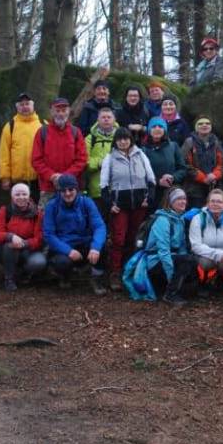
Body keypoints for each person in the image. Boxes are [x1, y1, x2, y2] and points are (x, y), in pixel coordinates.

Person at [100, 127, 156, 291]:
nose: (123, 141)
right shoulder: (110, 158)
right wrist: (111, 204)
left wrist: (149, 198)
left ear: (131, 139)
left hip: (139, 205)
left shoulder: (141, 155)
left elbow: (151, 179)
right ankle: (115, 273)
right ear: (115, 141)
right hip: (120, 206)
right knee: (118, 239)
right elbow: (103, 185)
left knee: (135, 238)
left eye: (126, 138)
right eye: (120, 139)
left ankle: (131, 270)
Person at [123, 187, 195, 305]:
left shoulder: (180, 219)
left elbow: (182, 248)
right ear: (171, 202)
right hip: (154, 261)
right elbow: (163, 251)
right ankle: (170, 295)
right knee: (186, 261)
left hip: (169, 258)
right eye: (178, 199)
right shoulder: (163, 220)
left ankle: (171, 288)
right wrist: (171, 276)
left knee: (190, 261)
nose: (183, 202)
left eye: (184, 199)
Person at [42, 174, 107, 292]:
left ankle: (97, 278)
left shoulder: (87, 202)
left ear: (76, 189)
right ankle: (65, 277)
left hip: (84, 243)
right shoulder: (52, 206)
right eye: (63, 190)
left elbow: (99, 226)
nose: (67, 193)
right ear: (59, 191)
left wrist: (95, 247)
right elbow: (48, 234)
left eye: (70, 189)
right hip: (63, 247)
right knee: (62, 262)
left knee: (102, 246)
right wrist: (68, 251)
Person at [0, 183, 46, 292]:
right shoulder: (5, 210)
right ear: (12, 196)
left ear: (29, 196)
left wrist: (24, 243)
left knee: (39, 262)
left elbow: (39, 239)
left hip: (28, 249)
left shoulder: (37, 213)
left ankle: (24, 273)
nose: (21, 197)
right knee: (10, 247)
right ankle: (9, 278)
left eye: (24, 194)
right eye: (17, 194)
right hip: (6, 249)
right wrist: (10, 236)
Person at [31, 97, 89, 206]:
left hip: (72, 188)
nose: (61, 114)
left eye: (64, 110)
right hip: (48, 188)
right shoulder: (42, 132)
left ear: (68, 111)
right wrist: (52, 176)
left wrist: (65, 176)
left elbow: (82, 159)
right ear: (51, 112)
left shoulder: (75, 132)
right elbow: (36, 160)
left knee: (73, 220)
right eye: (57, 111)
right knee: (46, 219)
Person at [0, 92, 45, 202]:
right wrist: (5, 177)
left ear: (33, 105)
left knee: (38, 210)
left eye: (27, 104)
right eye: (22, 104)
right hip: (17, 180)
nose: (25, 107)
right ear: (17, 107)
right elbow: (4, 154)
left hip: (38, 179)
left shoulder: (43, 125)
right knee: (19, 210)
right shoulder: (10, 126)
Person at [142, 116, 187, 211]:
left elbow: (182, 168)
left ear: (165, 130)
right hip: (152, 195)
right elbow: (140, 174)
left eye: (160, 126)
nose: (157, 129)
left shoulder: (173, 146)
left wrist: (172, 177)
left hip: (171, 193)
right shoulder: (143, 150)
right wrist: (158, 181)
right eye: (154, 127)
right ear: (149, 130)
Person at [181, 115, 223, 208]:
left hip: (214, 187)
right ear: (196, 127)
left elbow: (222, 164)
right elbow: (184, 164)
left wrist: (215, 175)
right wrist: (202, 177)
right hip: (194, 189)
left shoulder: (216, 142)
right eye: (200, 123)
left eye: (207, 123)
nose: (204, 125)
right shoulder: (189, 142)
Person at [85, 107, 119, 214]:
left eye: (109, 117)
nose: (106, 119)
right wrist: (100, 163)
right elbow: (83, 161)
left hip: (117, 190)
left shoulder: (121, 137)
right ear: (98, 120)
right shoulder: (90, 139)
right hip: (96, 190)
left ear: (114, 120)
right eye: (103, 117)